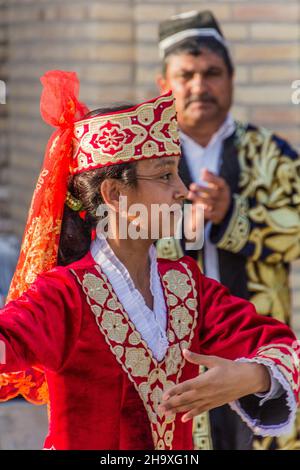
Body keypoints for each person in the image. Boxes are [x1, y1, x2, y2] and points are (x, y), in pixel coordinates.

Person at [0, 70, 299, 450]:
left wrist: (252, 376)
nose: (182, 191)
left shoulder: (186, 286)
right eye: (165, 176)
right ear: (113, 193)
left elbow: (282, 344)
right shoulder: (65, 295)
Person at [156, 10, 300, 450]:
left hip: (260, 343)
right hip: (171, 347)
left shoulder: (270, 153)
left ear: (232, 79)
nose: (200, 86)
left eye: (212, 73)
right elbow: (116, 241)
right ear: (165, 85)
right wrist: (183, 229)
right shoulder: (145, 162)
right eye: (186, 75)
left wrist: (233, 214)